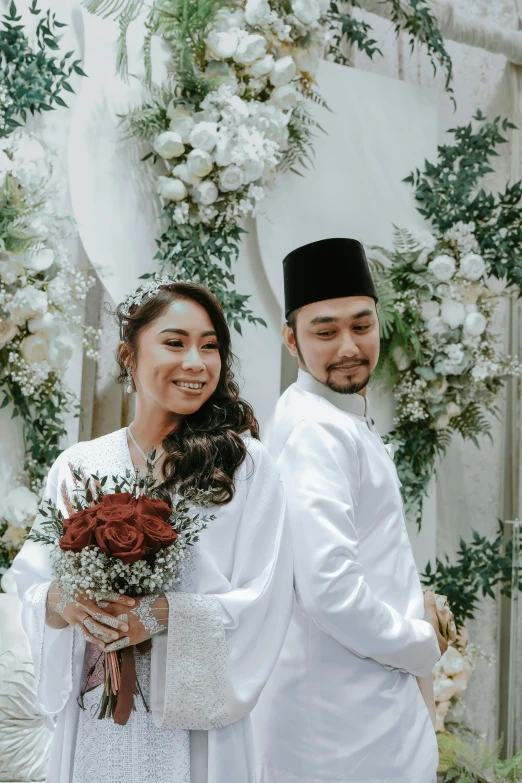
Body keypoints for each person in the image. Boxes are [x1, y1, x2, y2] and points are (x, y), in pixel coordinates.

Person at [13, 278, 292, 783]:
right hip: (95, 716)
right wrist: (65, 602)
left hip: (198, 730)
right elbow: (29, 585)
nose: (196, 362)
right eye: (175, 342)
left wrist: (162, 614)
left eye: (210, 346)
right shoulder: (79, 466)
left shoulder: (246, 467)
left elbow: (267, 598)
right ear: (128, 355)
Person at [252, 238, 447, 783]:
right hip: (342, 724)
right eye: (325, 330)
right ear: (291, 339)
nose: (348, 346)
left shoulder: (333, 418)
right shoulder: (318, 432)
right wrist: (419, 644)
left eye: (361, 326)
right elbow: (329, 589)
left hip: (357, 703)